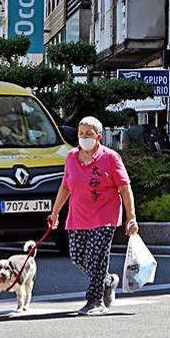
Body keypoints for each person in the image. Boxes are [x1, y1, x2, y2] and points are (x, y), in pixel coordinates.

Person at [47, 116, 139, 316]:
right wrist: (55, 213)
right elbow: (65, 186)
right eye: (81, 133)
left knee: (96, 257)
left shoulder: (110, 157)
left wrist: (130, 217)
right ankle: (107, 281)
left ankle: (94, 301)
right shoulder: (71, 157)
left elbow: (125, 188)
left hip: (105, 217)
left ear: (98, 137)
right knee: (79, 256)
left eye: (88, 134)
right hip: (78, 217)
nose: (84, 137)